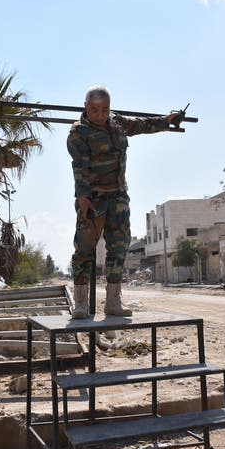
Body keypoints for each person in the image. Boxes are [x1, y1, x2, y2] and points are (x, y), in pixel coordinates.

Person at [67, 85, 184, 319]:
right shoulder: (78, 133)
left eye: (104, 109)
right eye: (94, 110)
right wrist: (83, 198)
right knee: (84, 249)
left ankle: (113, 301)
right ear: (85, 107)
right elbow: (79, 167)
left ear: (110, 108)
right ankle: (81, 303)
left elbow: (142, 125)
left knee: (119, 249)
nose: (99, 114)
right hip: (92, 198)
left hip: (118, 197)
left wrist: (167, 120)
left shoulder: (117, 123)